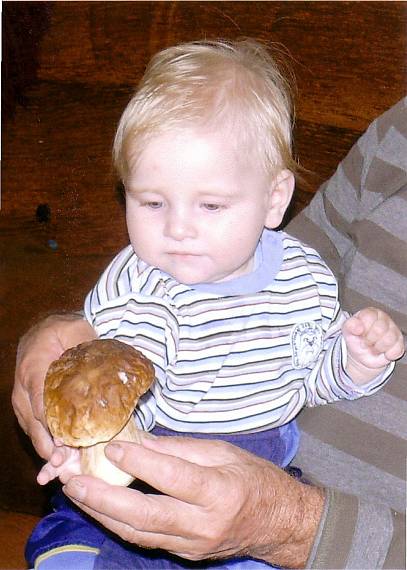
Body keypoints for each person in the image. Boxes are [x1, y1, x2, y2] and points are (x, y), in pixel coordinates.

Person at [12, 48, 405, 569]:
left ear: (274, 199)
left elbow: (311, 377)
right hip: (150, 467)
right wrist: (71, 443)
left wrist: (355, 360)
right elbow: (106, 407)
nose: (177, 229)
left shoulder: (302, 280)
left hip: (270, 471)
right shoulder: (137, 286)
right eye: (152, 203)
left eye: (211, 206)